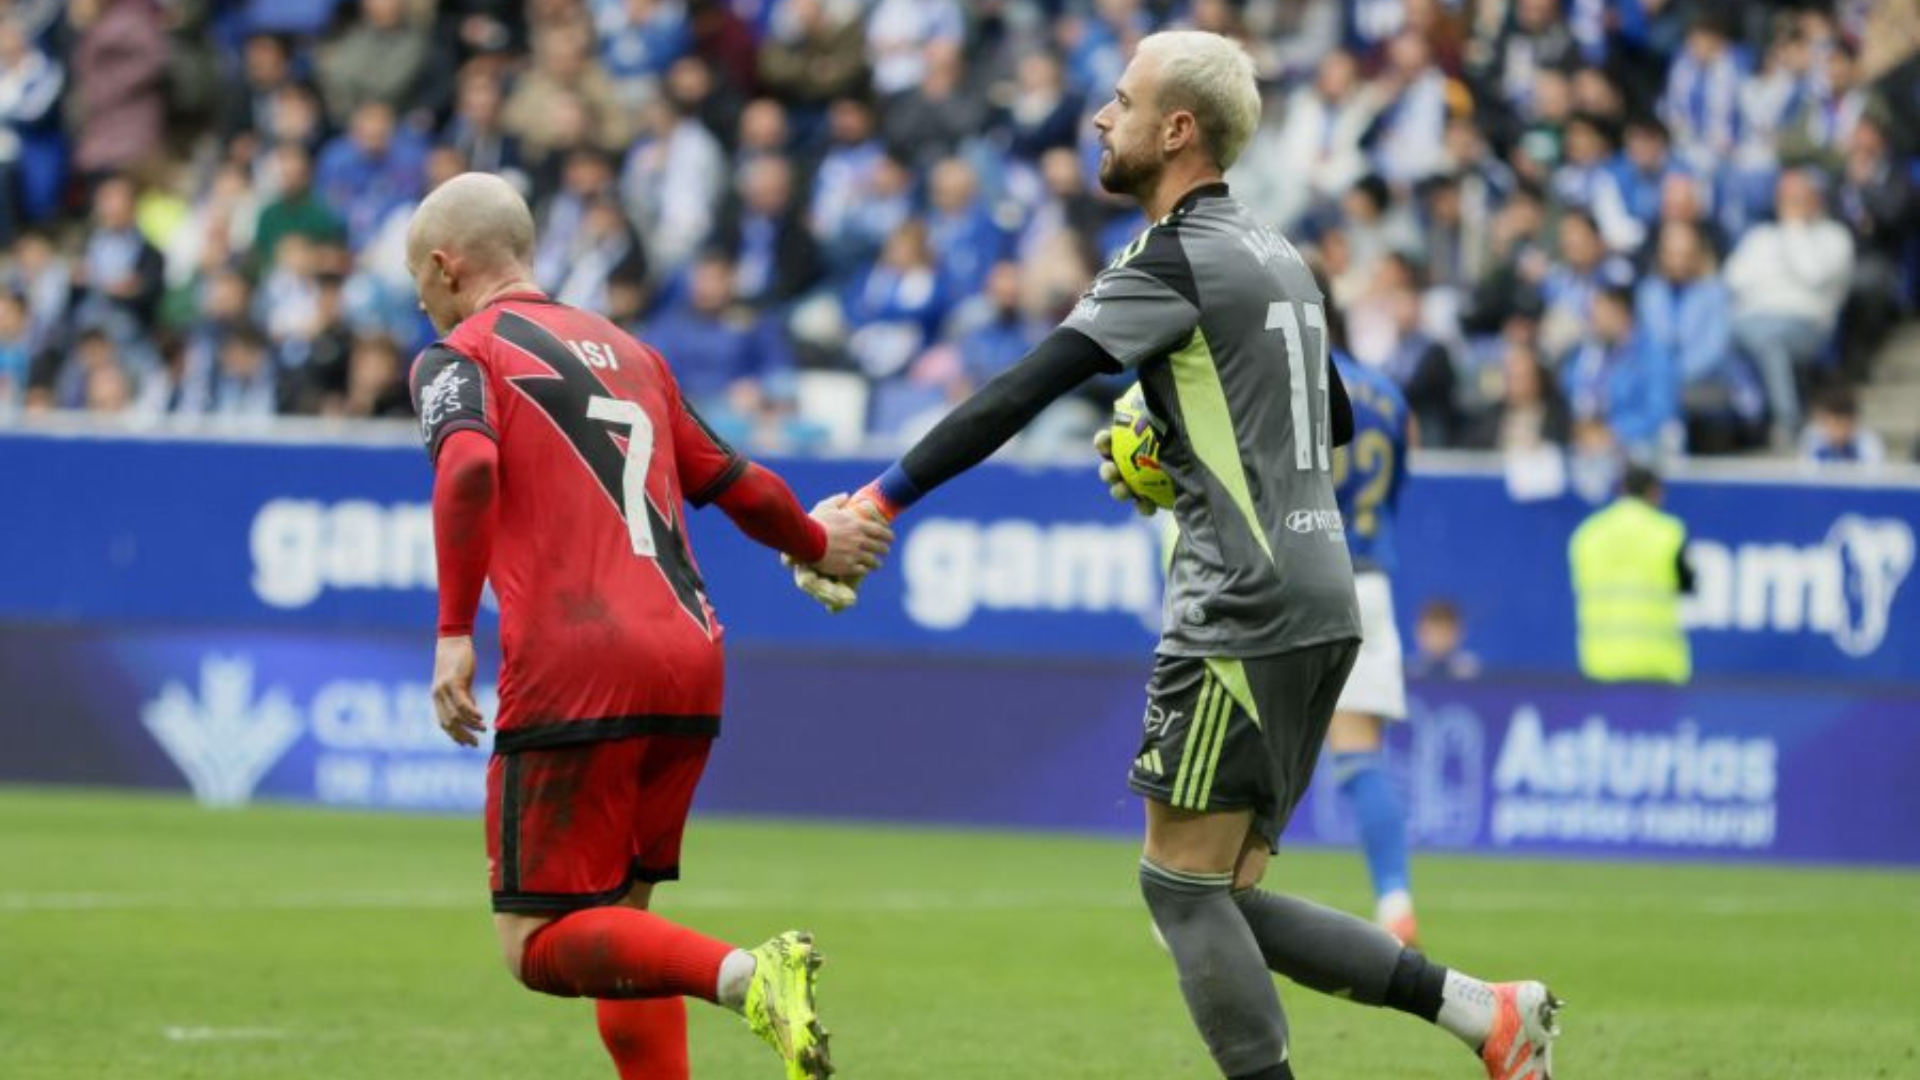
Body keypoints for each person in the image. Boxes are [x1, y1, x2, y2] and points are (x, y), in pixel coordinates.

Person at [794, 31, 1560, 1080]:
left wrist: (879, 498)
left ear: (1177, 130)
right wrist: (1176, 442)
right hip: (1326, 597)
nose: (1102, 118)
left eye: (1122, 101)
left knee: (1178, 892)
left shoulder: (1174, 256)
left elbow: (1025, 387)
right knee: (1223, 895)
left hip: (1241, 603)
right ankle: (1488, 1015)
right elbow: (1331, 418)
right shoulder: (1279, 253)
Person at [406, 172, 890, 1080]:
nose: (421, 303)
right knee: (621, 929)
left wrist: (453, 631)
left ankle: (747, 975)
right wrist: (818, 542)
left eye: (417, 283)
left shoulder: (460, 355)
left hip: (576, 659)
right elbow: (739, 483)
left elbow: (467, 469)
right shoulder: (633, 353)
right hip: (689, 655)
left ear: (444, 265)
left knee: (535, 942)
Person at [1324, 299, 1420, 947]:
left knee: (1257, 750)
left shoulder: (1284, 379)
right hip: (1368, 580)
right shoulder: (1388, 394)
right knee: (1360, 756)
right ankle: (1395, 900)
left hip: (1297, 576)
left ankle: (1208, 886)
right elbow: (1397, 489)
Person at [1568, 464, 1692, 684]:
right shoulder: (1668, 532)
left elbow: (1580, 583)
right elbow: (1687, 584)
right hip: (1657, 665)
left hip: (1600, 664)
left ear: (1620, 490)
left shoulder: (1588, 534)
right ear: (1655, 492)